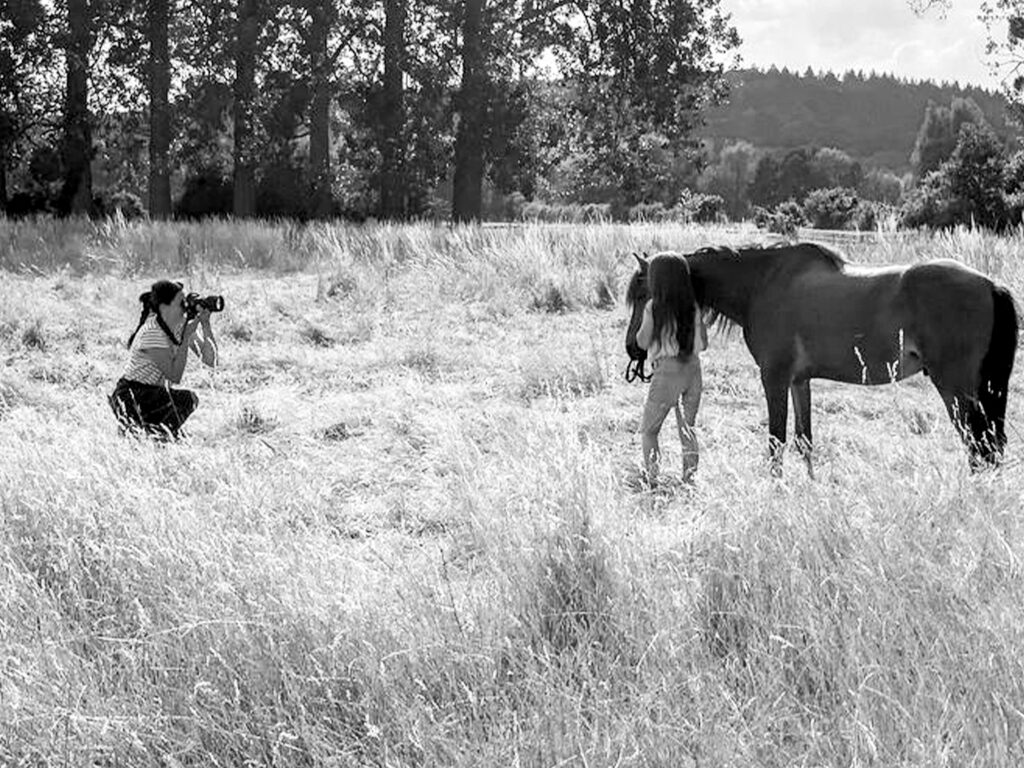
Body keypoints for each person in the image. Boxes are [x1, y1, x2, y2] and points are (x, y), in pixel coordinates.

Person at [109, 279, 218, 439]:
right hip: (132, 395)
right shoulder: (152, 331)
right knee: (186, 400)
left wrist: (205, 324)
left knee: (186, 401)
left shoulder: (177, 327)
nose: (185, 307)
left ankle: (156, 435)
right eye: (181, 303)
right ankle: (156, 436)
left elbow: (211, 360)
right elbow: (174, 375)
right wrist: (186, 336)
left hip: (151, 394)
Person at [637, 254, 707, 488]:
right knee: (687, 431)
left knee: (649, 431)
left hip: (667, 373)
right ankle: (689, 481)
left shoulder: (653, 308)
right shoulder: (694, 307)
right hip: (693, 371)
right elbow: (704, 344)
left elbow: (642, 341)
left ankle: (652, 480)